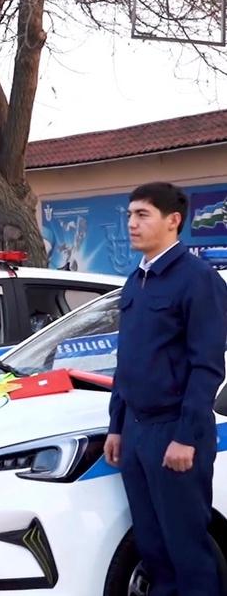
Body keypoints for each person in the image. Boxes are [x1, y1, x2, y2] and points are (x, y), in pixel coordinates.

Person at [103, 182, 227, 596]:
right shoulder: (134, 281)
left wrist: (186, 437)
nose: (131, 224)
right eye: (130, 215)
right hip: (136, 432)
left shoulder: (198, 280)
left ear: (173, 221)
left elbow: (206, 367)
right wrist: (117, 426)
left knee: (186, 549)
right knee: (153, 547)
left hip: (174, 431)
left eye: (143, 215)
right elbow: (127, 362)